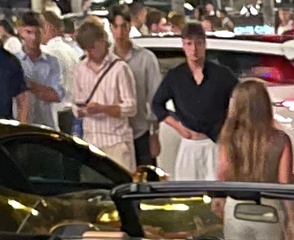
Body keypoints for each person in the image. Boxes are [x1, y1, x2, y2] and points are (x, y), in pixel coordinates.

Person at [151, 22, 233, 179]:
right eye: (189, 44)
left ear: (205, 44)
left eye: (198, 43)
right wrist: (177, 126)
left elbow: (239, 98)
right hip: (189, 144)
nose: (194, 49)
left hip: (215, 144)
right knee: (189, 192)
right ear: (183, 45)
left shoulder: (221, 74)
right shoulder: (175, 76)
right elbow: (157, 104)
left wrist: (228, 126)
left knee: (218, 192)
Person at [69, 20, 137, 171]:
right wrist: (80, 111)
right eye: (85, 49)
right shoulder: (80, 69)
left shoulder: (120, 68)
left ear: (102, 41)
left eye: (92, 48)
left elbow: (131, 108)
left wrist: (103, 108)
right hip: (91, 143)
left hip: (117, 142)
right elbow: (75, 102)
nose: (89, 53)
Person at [113, 10, 163, 167]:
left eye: (124, 26)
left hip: (140, 132)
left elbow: (155, 97)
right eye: (116, 27)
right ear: (111, 28)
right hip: (115, 136)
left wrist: (154, 134)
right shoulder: (106, 59)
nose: (120, 32)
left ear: (129, 27)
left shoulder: (146, 58)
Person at [14, 12, 66, 129]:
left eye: (37, 33)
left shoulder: (52, 61)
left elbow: (56, 95)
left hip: (47, 125)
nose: (33, 38)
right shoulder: (13, 61)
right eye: (29, 32)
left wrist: (29, 85)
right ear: (20, 32)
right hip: (21, 128)